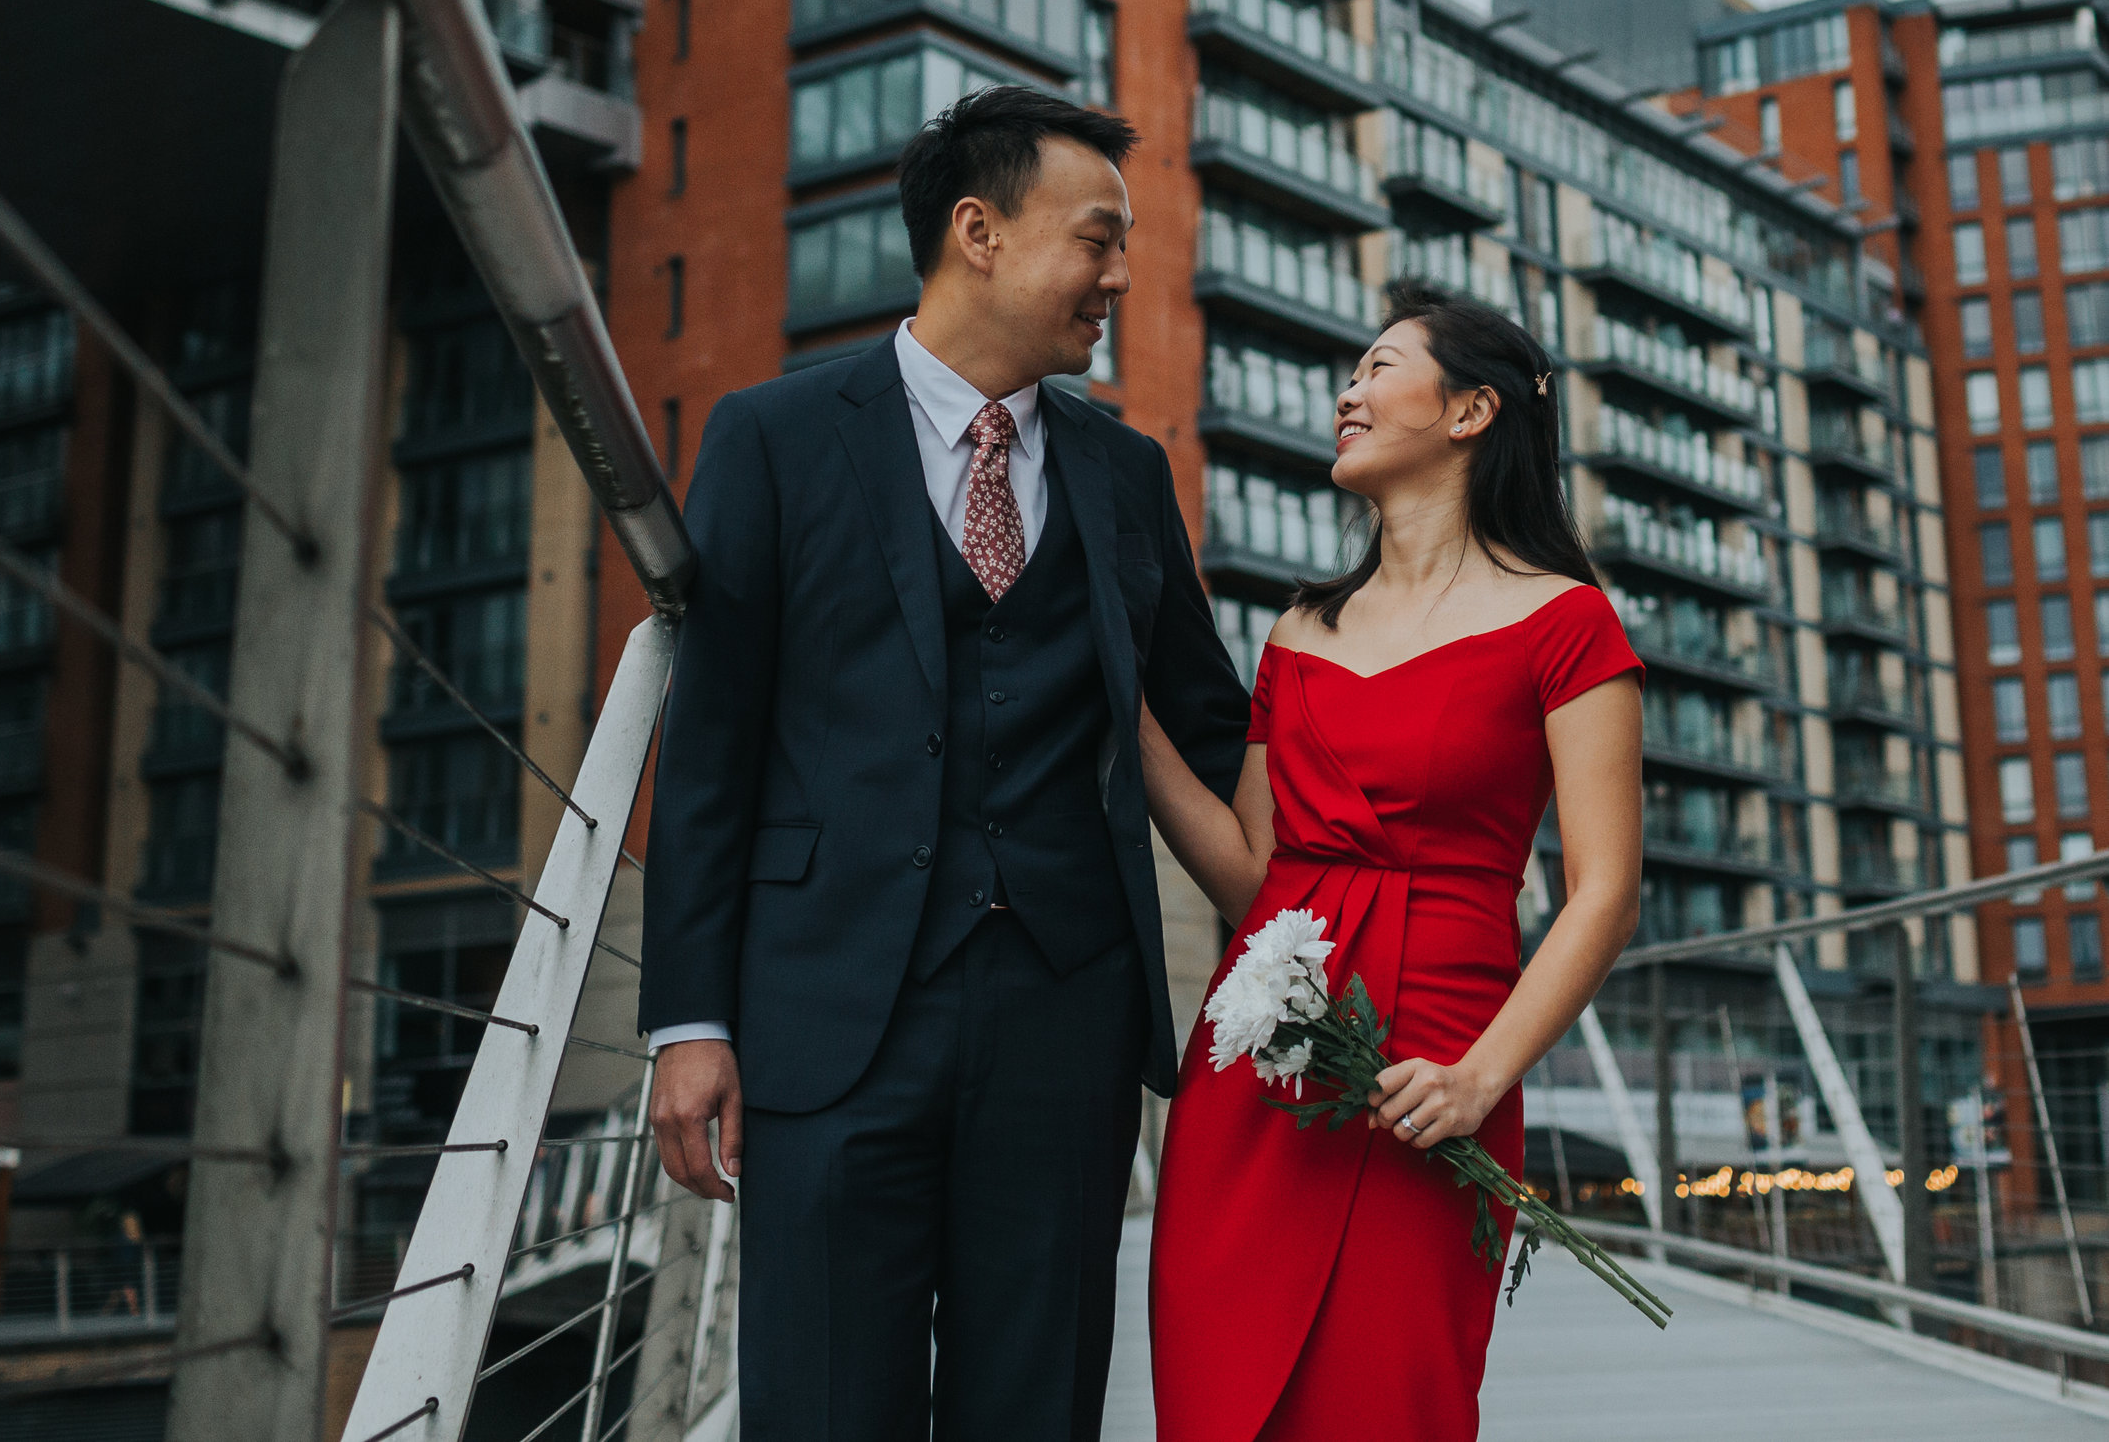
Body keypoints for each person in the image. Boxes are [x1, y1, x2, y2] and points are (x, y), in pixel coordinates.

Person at [640, 85, 1250, 1441]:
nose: (1119, 273)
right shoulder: (775, 436)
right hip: (830, 1012)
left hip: (1064, 1014)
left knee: (1035, 1407)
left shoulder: (1123, 471)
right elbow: (711, 746)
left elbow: (1218, 726)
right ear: (977, 230)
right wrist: (691, 1020)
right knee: (822, 1406)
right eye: (1097, 236)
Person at [1139, 280, 1646, 1441]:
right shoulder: (1296, 629)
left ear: (1469, 412)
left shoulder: (1567, 621)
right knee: (1220, 1398)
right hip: (1255, 1072)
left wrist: (1479, 1076)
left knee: (1391, 1394)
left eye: (1375, 367)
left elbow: (1605, 892)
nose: (1344, 393)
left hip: (1432, 1069)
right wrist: (1124, 718)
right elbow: (1253, 875)